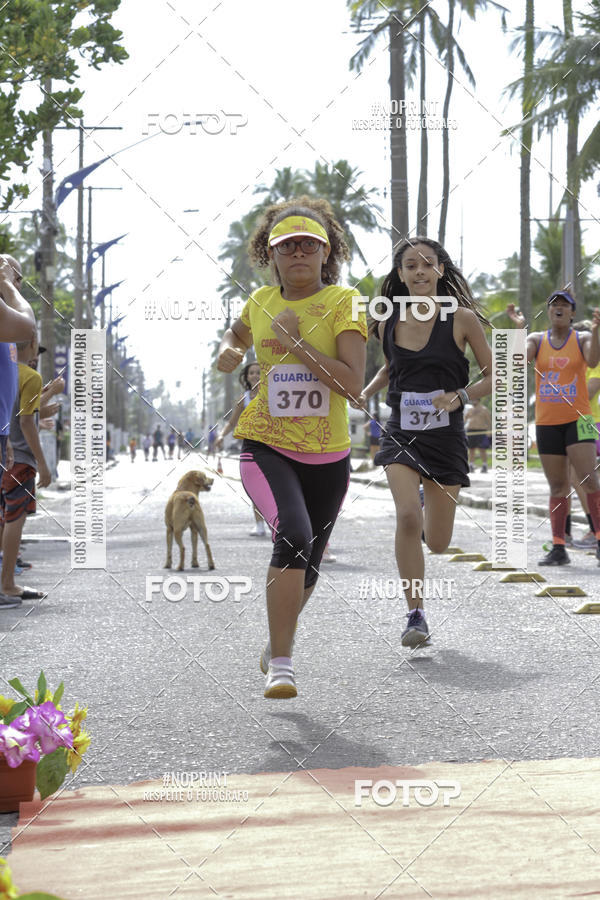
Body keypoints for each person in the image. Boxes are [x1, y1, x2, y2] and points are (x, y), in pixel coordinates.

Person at [217, 198, 367, 699]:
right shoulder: (258, 300)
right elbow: (238, 335)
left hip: (330, 454)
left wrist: (297, 344)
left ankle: (275, 639)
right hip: (266, 442)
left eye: (309, 245)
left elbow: (351, 387)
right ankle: (282, 664)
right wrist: (231, 350)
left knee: (310, 564)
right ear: (271, 254)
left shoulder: (344, 302)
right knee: (295, 536)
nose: (298, 253)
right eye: (287, 246)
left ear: (326, 254)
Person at [355, 237, 492, 647]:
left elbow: (493, 374)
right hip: (401, 432)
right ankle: (416, 615)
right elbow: (391, 369)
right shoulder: (386, 322)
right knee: (407, 518)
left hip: (446, 435)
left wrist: (461, 396)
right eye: (410, 265)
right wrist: (367, 390)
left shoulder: (462, 319)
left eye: (427, 264)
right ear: (400, 275)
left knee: (437, 541)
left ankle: (429, 499)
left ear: (439, 271)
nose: (419, 271)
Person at [508, 292, 600, 566]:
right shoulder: (536, 339)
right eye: (554, 305)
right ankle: (559, 547)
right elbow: (517, 362)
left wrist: (596, 331)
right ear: (549, 311)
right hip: (547, 421)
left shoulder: (581, 338)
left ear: (572, 313)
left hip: (580, 419)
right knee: (558, 485)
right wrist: (518, 329)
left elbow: (593, 361)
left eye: (565, 305)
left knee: (589, 480)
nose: (559, 308)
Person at [0, 332, 50, 608]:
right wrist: (43, 463)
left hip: (4, 452)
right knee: (14, 519)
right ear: (31, 345)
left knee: (3, 518)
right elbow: (28, 423)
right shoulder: (30, 377)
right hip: (19, 459)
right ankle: (7, 585)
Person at [216, 362, 267, 536]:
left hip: (273, 445)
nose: (255, 375)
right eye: (251, 373)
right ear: (246, 377)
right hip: (251, 446)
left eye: (258, 372)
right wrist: (222, 435)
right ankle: (260, 525)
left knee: (275, 488)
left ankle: (276, 523)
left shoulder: (273, 395)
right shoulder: (242, 399)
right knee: (255, 487)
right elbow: (231, 422)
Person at [464, 399, 492, 473]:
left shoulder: (484, 409)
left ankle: (484, 465)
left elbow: (489, 421)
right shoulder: (470, 409)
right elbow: (465, 419)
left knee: (482, 449)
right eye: (473, 400)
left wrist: (489, 431)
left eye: (475, 399)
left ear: (478, 400)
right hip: (471, 431)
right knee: (471, 449)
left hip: (481, 431)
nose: (473, 401)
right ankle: (471, 465)